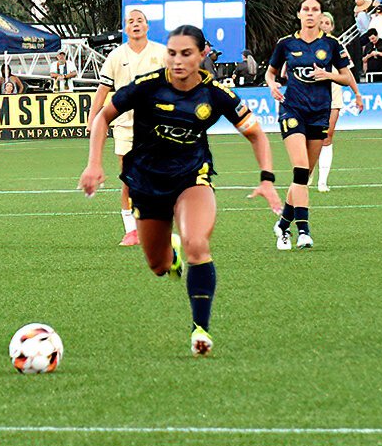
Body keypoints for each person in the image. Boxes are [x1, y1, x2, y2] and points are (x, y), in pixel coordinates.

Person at [79, 25, 281, 356]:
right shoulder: (147, 86)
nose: (177, 60)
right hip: (145, 183)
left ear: (202, 55)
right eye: (172, 53)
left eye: (186, 54)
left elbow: (257, 135)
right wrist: (93, 164)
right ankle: (169, 257)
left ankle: (200, 329)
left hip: (192, 178)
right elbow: (103, 117)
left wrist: (267, 178)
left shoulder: (216, 94)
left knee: (197, 243)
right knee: (158, 266)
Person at [265, 0, 363, 251]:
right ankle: (303, 231)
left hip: (319, 113)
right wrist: (272, 85)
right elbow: (271, 71)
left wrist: (333, 78)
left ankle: (283, 223)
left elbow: (345, 76)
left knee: (304, 176)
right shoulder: (285, 44)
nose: (310, 13)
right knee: (300, 169)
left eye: (315, 10)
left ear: (321, 16)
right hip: (292, 110)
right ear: (299, 14)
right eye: (306, 9)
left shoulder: (331, 44)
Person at [89, 9, 166, 246]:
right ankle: (131, 230)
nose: (135, 25)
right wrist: (93, 120)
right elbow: (102, 90)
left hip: (156, 125)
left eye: (140, 21)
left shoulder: (162, 53)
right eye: (131, 21)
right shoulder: (115, 56)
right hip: (125, 125)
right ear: (125, 27)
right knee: (129, 178)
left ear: (147, 25)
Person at [314, 13, 361, 193]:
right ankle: (308, 171)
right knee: (311, 137)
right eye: (322, 22)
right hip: (312, 94)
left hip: (333, 93)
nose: (324, 25)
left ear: (332, 26)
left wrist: (357, 93)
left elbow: (347, 74)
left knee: (328, 135)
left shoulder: (337, 45)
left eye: (328, 23)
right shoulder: (307, 43)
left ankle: (322, 181)